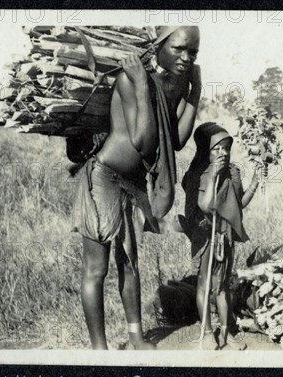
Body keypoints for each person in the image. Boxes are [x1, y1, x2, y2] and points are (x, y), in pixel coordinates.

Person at [72, 26, 202, 350]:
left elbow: (174, 140)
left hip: (132, 184)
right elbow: (143, 142)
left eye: (193, 53)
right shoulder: (132, 79)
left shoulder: (174, 85)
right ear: (159, 46)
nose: (186, 58)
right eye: (179, 49)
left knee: (129, 263)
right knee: (97, 268)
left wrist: (195, 95)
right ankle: (99, 352)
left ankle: (136, 338)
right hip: (103, 178)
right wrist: (143, 85)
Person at [181, 123, 260, 350]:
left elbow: (239, 205)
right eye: (217, 149)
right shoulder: (198, 174)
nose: (223, 153)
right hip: (206, 236)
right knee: (205, 284)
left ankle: (226, 333)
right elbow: (205, 206)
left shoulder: (233, 173)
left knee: (222, 285)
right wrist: (212, 177)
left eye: (226, 148)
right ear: (205, 150)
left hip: (225, 237)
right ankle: (206, 332)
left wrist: (255, 182)